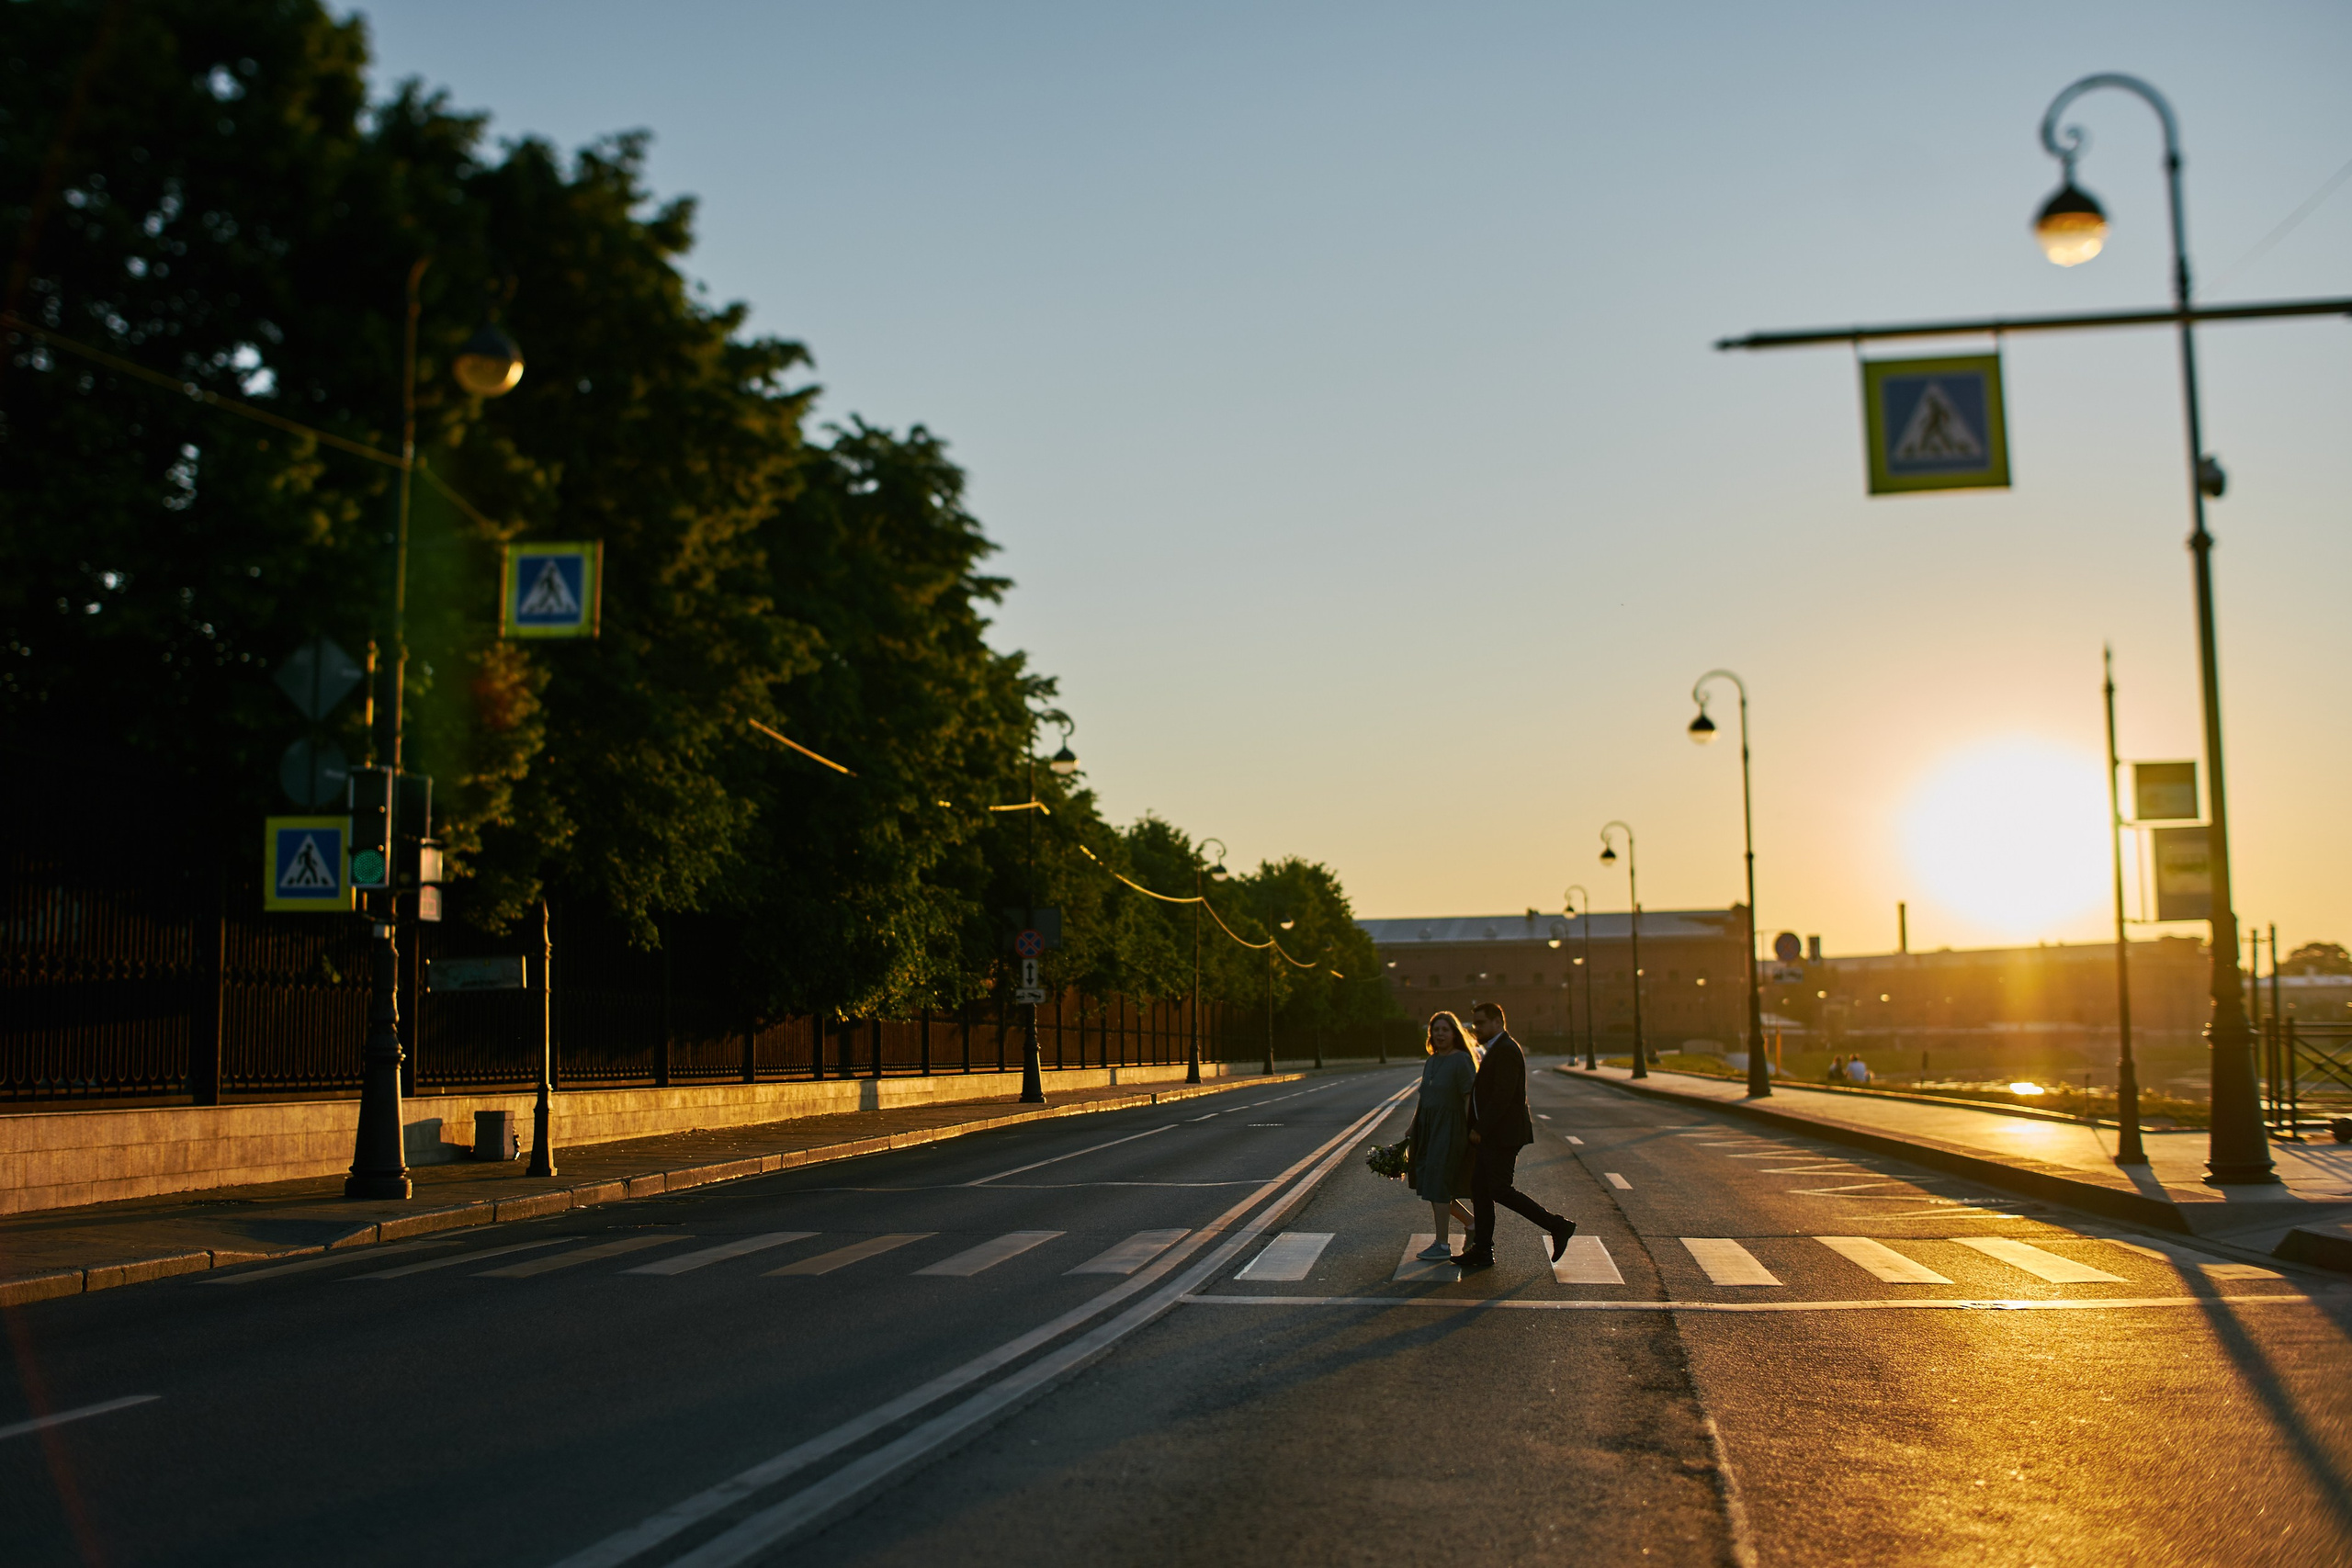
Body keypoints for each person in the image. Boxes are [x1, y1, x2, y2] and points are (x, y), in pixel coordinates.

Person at [1456, 1001, 1577, 1272]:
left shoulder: (1506, 1050)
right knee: (1480, 1190)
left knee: (1499, 1189)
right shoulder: (1497, 1049)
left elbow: (1503, 1096)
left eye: (1481, 1023)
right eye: (1475, 1024)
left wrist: (1480, 1128)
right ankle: (1483, 1251)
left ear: (1498, 1022)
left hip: (1502, 1135)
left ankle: (1558, 1226)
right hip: (1495, 1134)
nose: (1477, 1029)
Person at [1406, 1011, 1478, 1259]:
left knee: (1438, 1185)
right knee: (1431, 1185)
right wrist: (1413, 1126)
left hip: (1450, 1129)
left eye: (1445, 1030)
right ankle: (1472, 1224)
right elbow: (1424, 1098)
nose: (1440, 1034)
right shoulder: (1431, 1061)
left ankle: (1442, 1244)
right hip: (1428, 1129)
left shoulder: (1461, 1061)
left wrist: (1471, 1130)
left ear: (1454, 1033)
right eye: (1436, 1030)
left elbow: (1468, 1096)